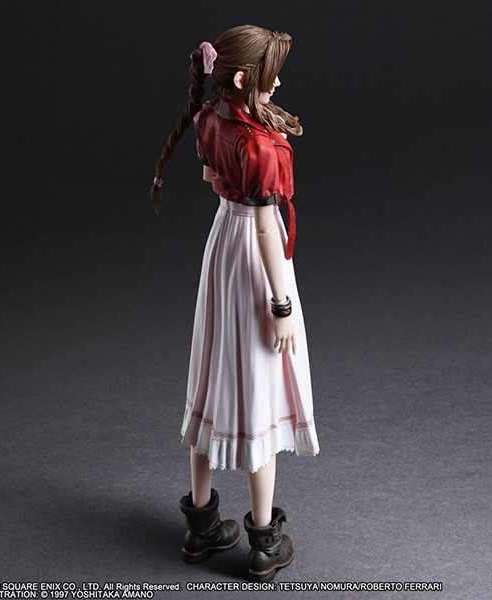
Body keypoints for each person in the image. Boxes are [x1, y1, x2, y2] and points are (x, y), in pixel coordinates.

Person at [151, 24, 319, 582]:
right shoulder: (258, 143)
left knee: (211, 380)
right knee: (258, 390)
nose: (280, 82)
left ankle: (200, 528)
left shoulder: (209, 118)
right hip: (252, 254)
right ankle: (265, 542)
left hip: (223, 243)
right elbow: (268, 229)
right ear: (245, 79)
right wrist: (281, 305)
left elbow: (210, 174)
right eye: (271, 74)